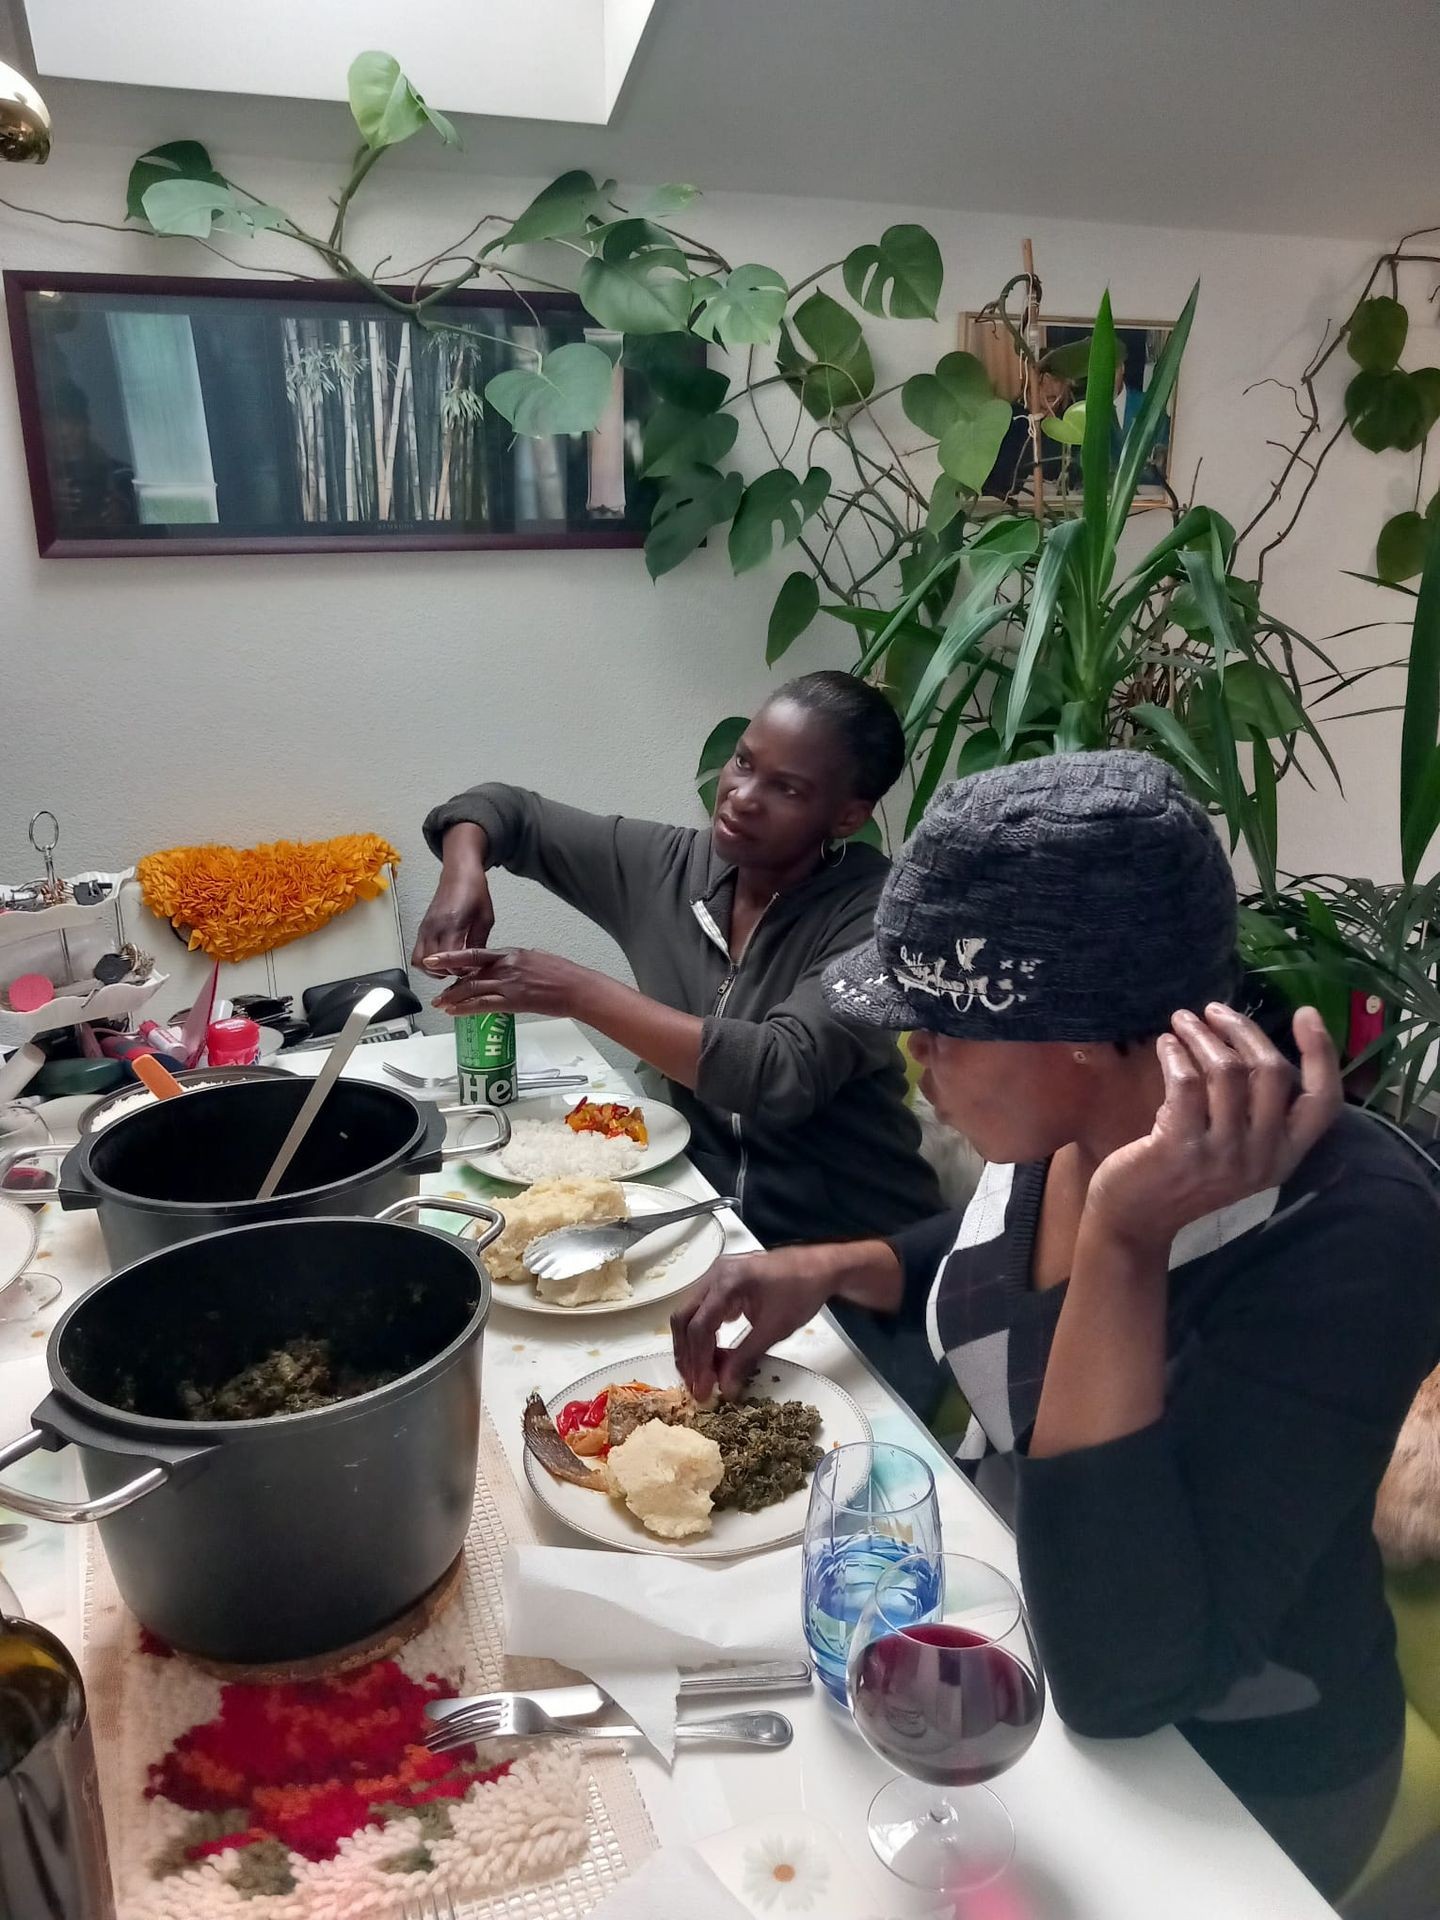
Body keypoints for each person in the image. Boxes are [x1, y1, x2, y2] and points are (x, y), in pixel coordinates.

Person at [672, 750, 1440, 1900]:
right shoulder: (1065, 1124)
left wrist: (1121, 1246)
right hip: (1010, 1643)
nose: (912, 1057)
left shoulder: (1348, 1232)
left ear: (1082, 1031)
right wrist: (832, 1267)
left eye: (939, 1029)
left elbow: (1127, 1676)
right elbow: (992, 1272)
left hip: (1229, 1789)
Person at [414, 670, 942, 1253]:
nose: (741, 796)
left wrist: (574, 992)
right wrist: (460, 874)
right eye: (743, 763)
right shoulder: (669, 868)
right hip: (714, 1224)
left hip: (856, 1247)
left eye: (786, 789)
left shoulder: (879, 914)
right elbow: (503, 810)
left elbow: (779, 1074)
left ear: (846, 817)